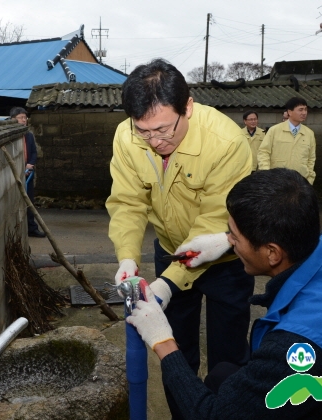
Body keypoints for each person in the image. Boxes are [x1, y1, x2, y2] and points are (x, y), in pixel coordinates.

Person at [127, 168, 322, 419]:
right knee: (223, 375)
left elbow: (211, 416)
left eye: (235, 235)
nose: (231, 241)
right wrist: (223, 242)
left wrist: (162, 339)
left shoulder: (295, 348)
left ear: (272, 253)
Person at [106, 58, 255, 420]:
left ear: (187, 106)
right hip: (169, 250)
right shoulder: (128, 137)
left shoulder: (227, 142)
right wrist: (127, 257)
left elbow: (212, 219)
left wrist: (169, 282)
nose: (155, 141)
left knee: (228, 356)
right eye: (143, 131)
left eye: (163, 129)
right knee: (176, 346)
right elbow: (127, 201)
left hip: (224, 260)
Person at [257, 97, 317, 184]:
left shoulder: (309, 133)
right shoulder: (275, 130)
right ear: (289, 112)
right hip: (277, 181)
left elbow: (311, 159)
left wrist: (309, 179)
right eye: (300, 110)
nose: (304, 113)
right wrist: (267, 174)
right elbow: (263, 152)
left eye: (305, 109)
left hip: (300, 182)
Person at [10, 107, 45, 238]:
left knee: (29, 201)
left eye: (25, 118)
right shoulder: (11, 137)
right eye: (21, 118)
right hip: (15, 175)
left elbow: (34, 152)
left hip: (28, 173)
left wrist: (30, 164)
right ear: (13, 119)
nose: (24, 120)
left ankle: (31, 228)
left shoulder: (29, 135)